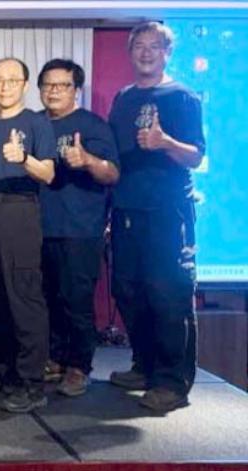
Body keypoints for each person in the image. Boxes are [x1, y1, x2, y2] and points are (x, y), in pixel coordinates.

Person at [107, 22, 204, 412]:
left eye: (154, 46)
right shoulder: (123, 97)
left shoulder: (183, 97)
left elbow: (196, 156)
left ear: (167, 53)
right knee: (128, 290)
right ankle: (144, 366)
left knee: (169, 295)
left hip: (168, 212)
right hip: (127, 210)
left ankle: (172, 383)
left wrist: (165, 142)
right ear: (131, 53)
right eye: (139, 46)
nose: (146, 53)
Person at [0, 58, 56, 413]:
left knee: (24, 297)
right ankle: (6, 370)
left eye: (12, 80)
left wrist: (23, 157)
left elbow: (48, 173)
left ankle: (32, 381)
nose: (5, 86)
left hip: (20, 211)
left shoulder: (37, 122)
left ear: (24, 85)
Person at [37, 59, 119, 397]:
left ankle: (79, 367)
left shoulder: (92, 125)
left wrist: (87, 161)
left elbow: (112, 173)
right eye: (48, 85)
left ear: (77, 90)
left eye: (63, 85)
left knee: (77, 301)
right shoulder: (34, 123)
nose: (54, 91)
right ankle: (56, 358)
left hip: (80, 230)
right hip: (39, 228)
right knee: (48, 300)